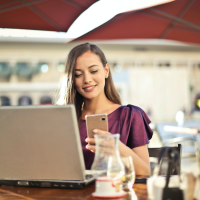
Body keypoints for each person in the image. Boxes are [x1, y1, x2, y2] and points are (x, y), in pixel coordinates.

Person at [55, 43, 153, 176]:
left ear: (106, 70)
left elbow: (145, 172)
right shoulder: (64, 120)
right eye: (78, 74)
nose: (87, 80)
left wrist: (116, 147)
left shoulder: (130, 115)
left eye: (93, 71)